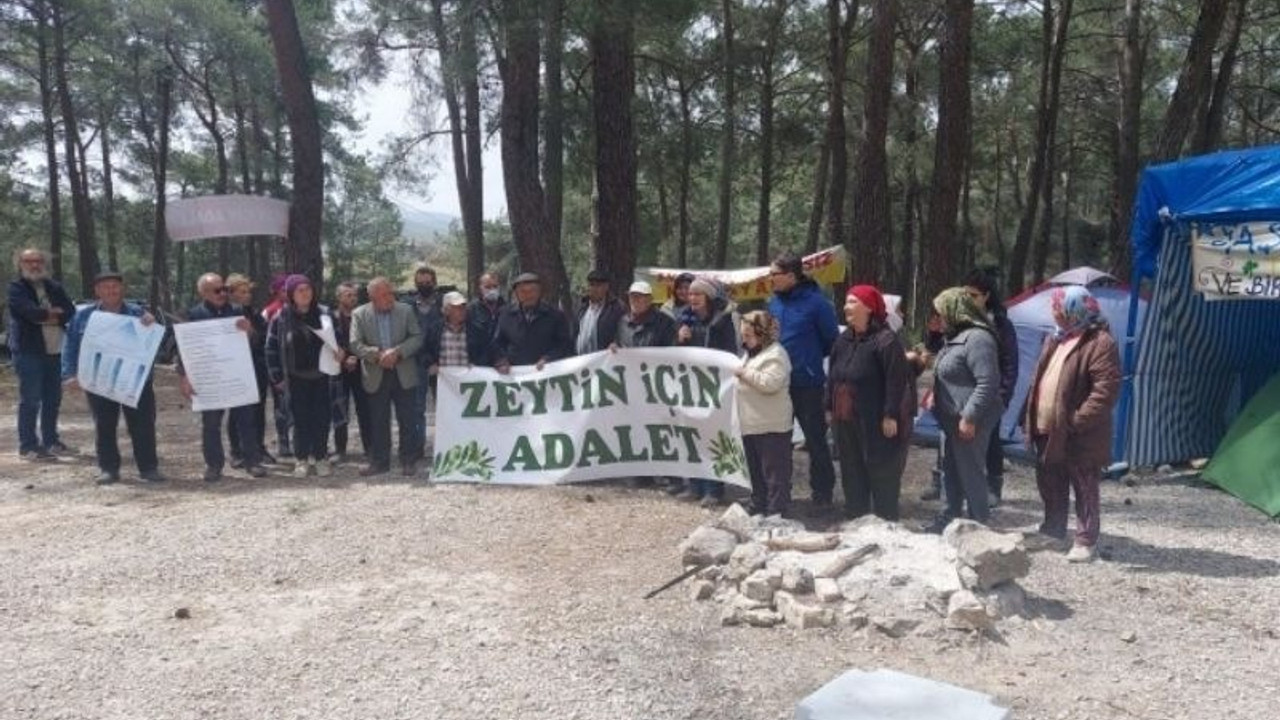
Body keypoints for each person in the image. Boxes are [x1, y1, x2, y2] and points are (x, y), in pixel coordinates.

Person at [1024, 286, 1121, 563]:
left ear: (1074, 310)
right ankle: (1053, 530)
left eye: (1057, 307)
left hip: (1079, 433)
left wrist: (1076, 421)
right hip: (1047, 427)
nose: (1053, 312)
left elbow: (1105, 391)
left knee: (1084, 485)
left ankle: (1085, 540)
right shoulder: (1056, 338)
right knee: (1049, 480)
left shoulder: (1100, 342)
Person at [61, 271, 165, 485]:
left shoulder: (139, 314)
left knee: (143, 424)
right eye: (105, 286)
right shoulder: (83, 316)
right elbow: (70, 346)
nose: (111, 290)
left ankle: (148, 468)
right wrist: (69, 374)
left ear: (122, 289)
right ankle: (108, 469)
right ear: (97, 291)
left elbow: (154, 345)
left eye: (115, 286)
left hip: (135, 381)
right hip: (99, 380)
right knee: (104, 425)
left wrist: (151, 328)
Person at [827, 286, 911, 521]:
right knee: (851, 469)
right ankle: (855, 517)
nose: (846, 307)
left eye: (853, 302)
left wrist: (890, 414)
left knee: (881, 470)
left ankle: (886, 521)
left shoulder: (885, 341)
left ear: (869, 308)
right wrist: (828, 407)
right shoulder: (843, 340)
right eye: (846, 302)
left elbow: (896, 381)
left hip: (875, 420)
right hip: (845, 417)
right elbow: (833, 376)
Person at [923, 287, 1003, 532]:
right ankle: (950, 516)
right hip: (950, 419)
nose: (939, 319)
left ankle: (979, 524)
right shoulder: (956, 336)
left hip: (970, 419)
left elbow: (988, 382)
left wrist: (970, 416)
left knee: (970, 471)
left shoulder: (978, 339)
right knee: (952, 469)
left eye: (942, 313)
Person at [767, 251, 840, 510]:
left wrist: (807, 358)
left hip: (807, 383)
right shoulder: (772, 303)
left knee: (815, 441)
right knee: (777, 441)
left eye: (774, 274)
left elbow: (832, 340)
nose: (771, 279)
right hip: (777, 385)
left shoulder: (817, 304)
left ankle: (822, 494)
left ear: (790, 275)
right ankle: (778, 495)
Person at [180, 273, 268, 482]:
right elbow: (183, 350)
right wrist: (184, 377)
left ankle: (252, 462)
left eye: (224, 290)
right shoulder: (193, 315)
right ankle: (213, 465)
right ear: (202, 292)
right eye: (217, 290)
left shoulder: (238, 312)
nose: (222, 294)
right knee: (211, 424)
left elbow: (255, 341)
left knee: (247, 420)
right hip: (208, 379)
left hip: (237, 375)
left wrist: (249, 332)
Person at [265, 274, 344, 478]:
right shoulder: (281, 318)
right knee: (299, 419)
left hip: (323, 377)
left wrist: (341, 351)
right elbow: (271, 348)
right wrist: (277, 378)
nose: (305, 293)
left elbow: (340, 340)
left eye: (308, 288)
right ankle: (301, 459)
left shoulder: (326, 314)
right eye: (300, 290)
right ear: (291, 294)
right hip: (295, 378)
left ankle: (320, 457)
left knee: (322, 418)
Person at [675, 277, 739, 506]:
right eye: (690, 295)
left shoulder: (723, 321)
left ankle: (714, 489)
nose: (692, 299)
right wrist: (681, 340)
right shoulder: (685, 321)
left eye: (698, 295)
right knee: (692, 435)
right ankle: (695, 485)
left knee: (713, 436)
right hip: (691, 388)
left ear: (709, 298)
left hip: (715, 389)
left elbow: (729, 354)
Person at [351, 277, 424, 477]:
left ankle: (408, 461)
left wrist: (398, 352)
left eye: (391, 293)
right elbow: (355, 344)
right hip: (376, 373)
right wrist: (377, 355)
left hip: (403, 372)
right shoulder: (359, 314)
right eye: (384, 295)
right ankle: (380, 462)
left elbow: (417, 337)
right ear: (372, 297)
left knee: (407, 419)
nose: (390, 298)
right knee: (378, 420)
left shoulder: (406, 310)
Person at [7, 248, 76, 460]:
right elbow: (29, 312)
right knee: (31, 399)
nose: (34, 265)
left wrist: (46, 316)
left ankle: (51, 441)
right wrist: (51, 314)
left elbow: (70, 311)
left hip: (56, 351)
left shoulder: (54, 287)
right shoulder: (16, 288)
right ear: (20, 265)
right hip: (29, 351)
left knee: (53, 398)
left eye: (38, 261)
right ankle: (28, 446)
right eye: (28, 261)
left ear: (44, 263)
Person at [963, 268, 1019, 506]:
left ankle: (994, 487)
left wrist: (1002, 396)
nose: (969, 300)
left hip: (991, 393)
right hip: (962, 392)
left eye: (973, 295)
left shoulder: (1001, 325)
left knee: (991, 440)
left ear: (986, 296)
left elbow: (1010, 363)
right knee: (958, 439)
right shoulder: (961, 320)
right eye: (965, 295)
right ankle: (954, 486)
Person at [735, 310, 794, 517]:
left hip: (772, 425)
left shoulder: (776, 354)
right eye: (743, 336)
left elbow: (770, 383)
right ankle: (759, 505)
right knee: (756, 472)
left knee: (775, 473)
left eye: (748, 336)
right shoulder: (750, 354)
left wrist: (744, 373)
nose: (745, 340)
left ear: (762, 334)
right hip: (751, 423)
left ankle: (777, 512)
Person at [226, 273, 274, 467]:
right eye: (242, 292)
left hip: (257, 367)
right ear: (231, 294)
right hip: (235, 369)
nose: (247, 295)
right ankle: (236, 451)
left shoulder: (254, 313)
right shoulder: (226, 314)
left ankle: (258, 447)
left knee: (259, 408)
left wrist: (253, 333)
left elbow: (264, 336)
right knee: (236, 410)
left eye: (248, 292)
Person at [493, 272, 573, 372]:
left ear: (540, 292)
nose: (528, 295)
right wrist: (502, 360)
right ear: (516, 294)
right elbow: (497, 343)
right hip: (514, 375)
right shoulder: (505, 314)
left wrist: (548, 358)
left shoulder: (555, 315)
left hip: (545, 373)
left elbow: (564, 344)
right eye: (523, 292)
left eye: (532, 291)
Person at [407, 264, 443, 456]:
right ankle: (417, 447)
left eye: (428, 282)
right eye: (420, 283)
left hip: (441, 364)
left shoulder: (444, 305)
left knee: (445, 406)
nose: (424, 286)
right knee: (417, 408)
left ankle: (446, 445)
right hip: (416, 363)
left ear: (434, 283)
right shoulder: (407, 306)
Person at [333, 281, 371, 462]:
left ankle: (370, 448)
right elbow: (329, 341)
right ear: (339, 297)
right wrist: (344, 357)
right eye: (348, 295)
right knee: (340, 409)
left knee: (365, 409)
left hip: (361, 367)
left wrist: (356, 357)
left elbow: (369, 340)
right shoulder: (331, 318)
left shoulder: (363, 316)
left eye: (354, 295)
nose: (352, 298)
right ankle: (340, 450)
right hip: (338, 369)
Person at [261, 273, 293, 458]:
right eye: (283, 289)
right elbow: (267, 345)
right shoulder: (270, 311)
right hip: (279, 369)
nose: (287, 292)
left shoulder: (298, 309)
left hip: (298, 369)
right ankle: (283, 442)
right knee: (282, 407)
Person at [423, 290, 487, 374]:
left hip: (469, 380)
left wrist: (477, 365)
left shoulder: (476, 330)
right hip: (443, 381)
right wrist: (430, 365)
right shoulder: (434, 329)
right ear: (446, 310)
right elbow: (425, 351)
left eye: (463, 306)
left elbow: (485, 352)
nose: (462, 310)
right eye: (457, 307)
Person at [574, 269, 626, 356]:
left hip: (604, 362)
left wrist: (616, 343)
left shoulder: (616, 308)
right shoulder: (582, 307)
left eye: (598, 286)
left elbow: (624, 333)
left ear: (606, 287)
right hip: (581, 362)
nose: (594, 289)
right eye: (591, 285)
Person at [613, 281, 677, 349]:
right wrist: (614, 348)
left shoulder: (665, 322)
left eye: (638, 297)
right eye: (631, 296)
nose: (634, 300)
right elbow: (618, 343)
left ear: (649, 300)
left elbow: (670, 351)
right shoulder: (623, 322)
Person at [466, 271, 505, 366]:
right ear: (480, 288)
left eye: (495, 286)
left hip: (503, 363)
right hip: (478, 365)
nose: (492, 290)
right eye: (487, 287)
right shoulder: (471, 310)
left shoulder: (508, 309)